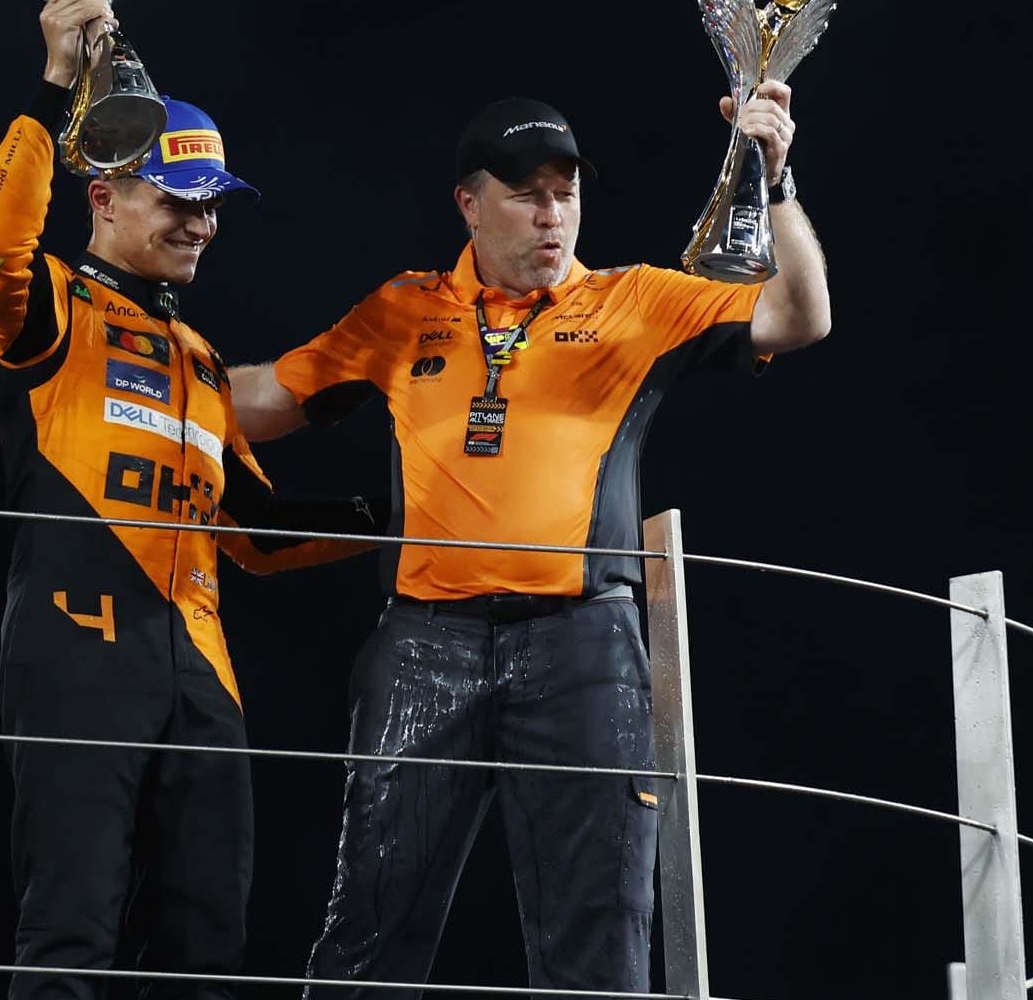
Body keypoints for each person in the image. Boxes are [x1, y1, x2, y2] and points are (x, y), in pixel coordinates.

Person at [238, 88, 832, 997]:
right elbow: (266, 400)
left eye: (565, 192)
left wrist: (776, 176)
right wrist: (104, 383)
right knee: (370, 918)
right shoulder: (404, 310)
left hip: (581, 649)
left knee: (598, 934)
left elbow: (799, 318)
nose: (551, 213)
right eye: (525, 193)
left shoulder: (635, 301)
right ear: (469, 205)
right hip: (424, 645)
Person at [0, 3, 382, 997]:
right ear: (104, 193)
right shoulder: (51, 307)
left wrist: (405, 521)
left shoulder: (198, 358)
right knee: (69, 932)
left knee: (208, 947)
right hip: (76, 651)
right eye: (179, 197)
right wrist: (56, 84)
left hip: (202, 677)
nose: (202, 221)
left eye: (213, 201)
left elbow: (260, 536)